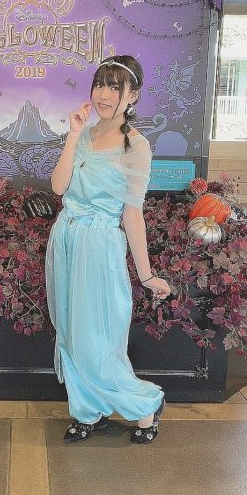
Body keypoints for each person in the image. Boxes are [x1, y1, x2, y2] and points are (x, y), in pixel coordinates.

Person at [45, 54, 171, 444]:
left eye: (115, 87)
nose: (104, 94)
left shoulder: (136, 146)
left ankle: (145, 405)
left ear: (133, 95)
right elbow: (59, 187)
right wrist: (72, 135)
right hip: (66, 236)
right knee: (69, 334)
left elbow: (133, 214)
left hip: (99, 245)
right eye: (100, 84)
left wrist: (146, 275)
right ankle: (88, 411)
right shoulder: (83, 133)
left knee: (96, 339)